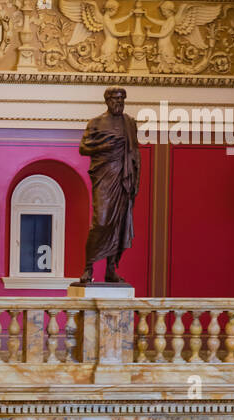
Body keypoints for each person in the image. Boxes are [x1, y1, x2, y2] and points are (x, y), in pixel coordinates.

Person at [76, 86, 141, 285]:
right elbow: (83, 148)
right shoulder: (96, 123)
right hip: (104, 175)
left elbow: (135, 152)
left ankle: (111, 269)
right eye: (115, 100)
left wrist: (135, 178)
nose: (118, 104)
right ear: (107, 101)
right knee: (101, 221)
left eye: (122, 101)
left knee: (119, 223)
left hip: (123, 177)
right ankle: (89, 267)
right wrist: (103, 146)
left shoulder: (130, 123)